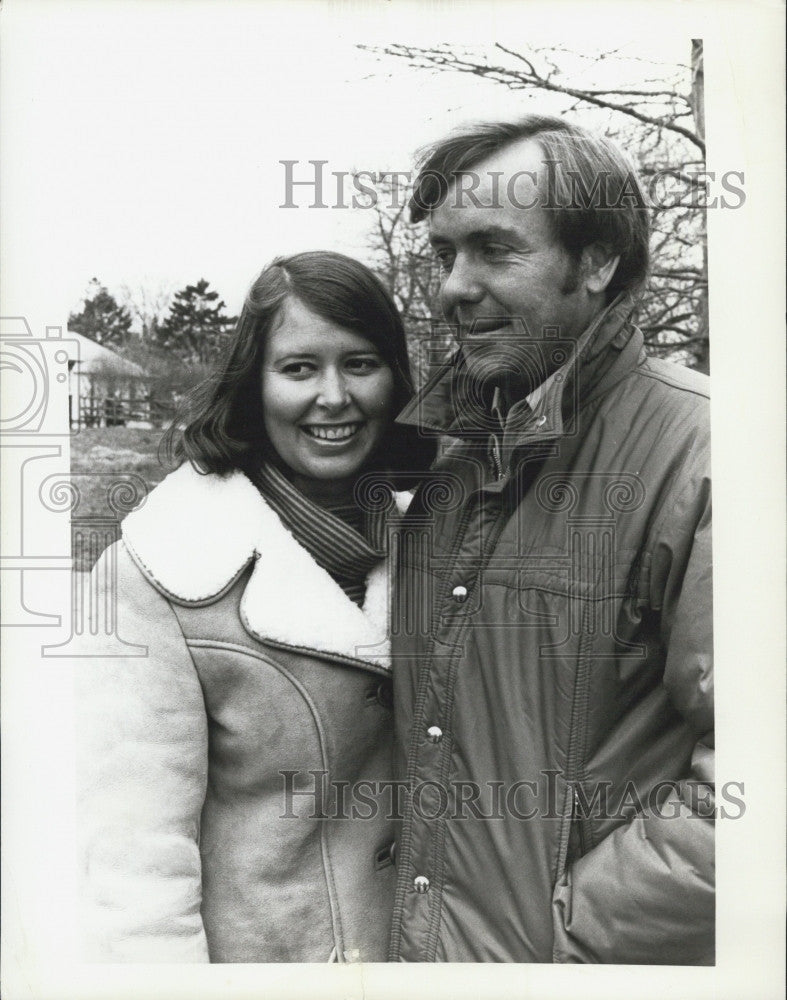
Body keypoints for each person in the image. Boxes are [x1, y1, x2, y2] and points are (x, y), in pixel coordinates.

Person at [387, 116, 714, 964]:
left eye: (494, 250)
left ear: (597, 262)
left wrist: (563, 943)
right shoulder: (455, 462)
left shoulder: (711, 455)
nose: (452, 288)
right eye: (443, 254)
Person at [74, 250, 434, 962]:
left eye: (360, 363)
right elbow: (134, 865)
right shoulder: (159, 567)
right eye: (299, 368)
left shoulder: (438, 538)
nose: (334, 396)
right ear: (252, 385)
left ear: (396, 379)